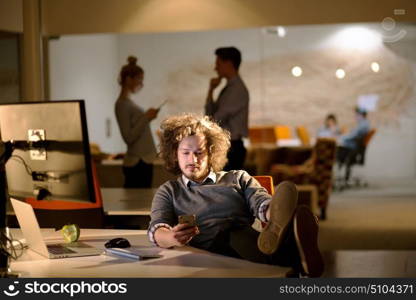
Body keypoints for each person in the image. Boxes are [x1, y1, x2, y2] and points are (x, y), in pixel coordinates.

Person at [148, 114, 324, 277]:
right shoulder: (169, 191)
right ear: (174, 154)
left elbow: (261, 203)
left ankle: (287, 239)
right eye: (186, 153)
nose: (193, 160)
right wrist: (171, 237)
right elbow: (157, 229)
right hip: (207, 253)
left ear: (211, 152)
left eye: (199, 153)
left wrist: (274, 212)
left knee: (242, 233)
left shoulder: (238, 178)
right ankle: (294, 257)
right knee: (229, 236)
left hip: (248, 243)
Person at [115, 56, 159, 188]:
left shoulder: (128, 103)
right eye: (140, 79)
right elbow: (128, 137)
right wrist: (146, 118)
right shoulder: (122, 104)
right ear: (128, 79)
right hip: (137, 163)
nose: (141, 84)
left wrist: (147, 118)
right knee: (138, 204)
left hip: (143, 161)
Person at [205, 47, 249, 171]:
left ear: (228, 63)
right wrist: (211, 90)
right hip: (228, 145)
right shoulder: (229, 89)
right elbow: (210, 115)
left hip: (232, 147)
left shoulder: (237, 90)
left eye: (218, 64)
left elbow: (216, 119)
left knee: (225, 188)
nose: (215, 68)